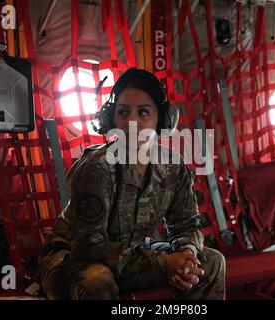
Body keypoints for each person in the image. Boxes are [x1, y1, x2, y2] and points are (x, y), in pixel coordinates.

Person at [38, 68, 226, 300]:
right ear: (111, 119)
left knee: (212, 263)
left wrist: (186, 255)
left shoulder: (172, 167)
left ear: (162, 119)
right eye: (123, 113)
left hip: (133, 255)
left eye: (144, 112)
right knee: (97, 280)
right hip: (71, 260)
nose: (132, 122)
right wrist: (164, 264)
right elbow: (88, 246)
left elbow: (186, 224)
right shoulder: (98, 167)